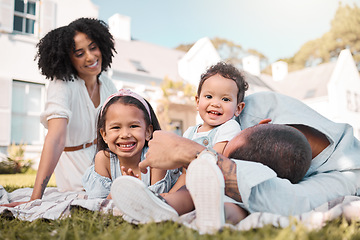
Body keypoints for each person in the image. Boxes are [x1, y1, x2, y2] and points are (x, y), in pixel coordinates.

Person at [124, 91, 359, 232]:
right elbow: (208, 127)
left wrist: (194, 154)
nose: (221, 151)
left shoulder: (347, 174)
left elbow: (281, 199)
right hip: (175, 171)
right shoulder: (258, 107)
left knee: (236, 204)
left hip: (212, 190)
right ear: (261, 124)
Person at [110, 123, 312, 233]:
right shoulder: (270, 177)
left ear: (260, 124)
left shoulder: (231, 161)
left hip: (215, 177)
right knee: (235, 210)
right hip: (242, 196)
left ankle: (160, 203)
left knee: (188, 193)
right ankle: (219, 217)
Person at [2, 18, 118, 207]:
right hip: (76, 170)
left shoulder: (107, 83)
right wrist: (35, 198)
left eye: (93, 47)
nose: (90, 57)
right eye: (79, 53)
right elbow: (56, 138)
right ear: (68, 58)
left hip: (106, 158)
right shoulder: (62, 85)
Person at [82, 89, 180, 199]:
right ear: (104, 135)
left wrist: (135, 190)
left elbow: (156, 202)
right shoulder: (104, 159)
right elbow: (100, 203)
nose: (125, 135)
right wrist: (122, 188)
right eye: (116, 127)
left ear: (148, 132)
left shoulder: (155, 158)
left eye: (133, 126)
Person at [168, 61, 248, 193]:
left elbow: (213, 159)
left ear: (238, 108)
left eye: (225, 99)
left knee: (185, 197)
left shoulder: (229, 127)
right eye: (209, 96)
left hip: (211, 184)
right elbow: (184, 174)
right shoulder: (190, 132)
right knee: (175, 196)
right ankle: (163, 202)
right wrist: (170, 194)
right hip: (189, 183)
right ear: (198, 102)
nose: (215, 103)